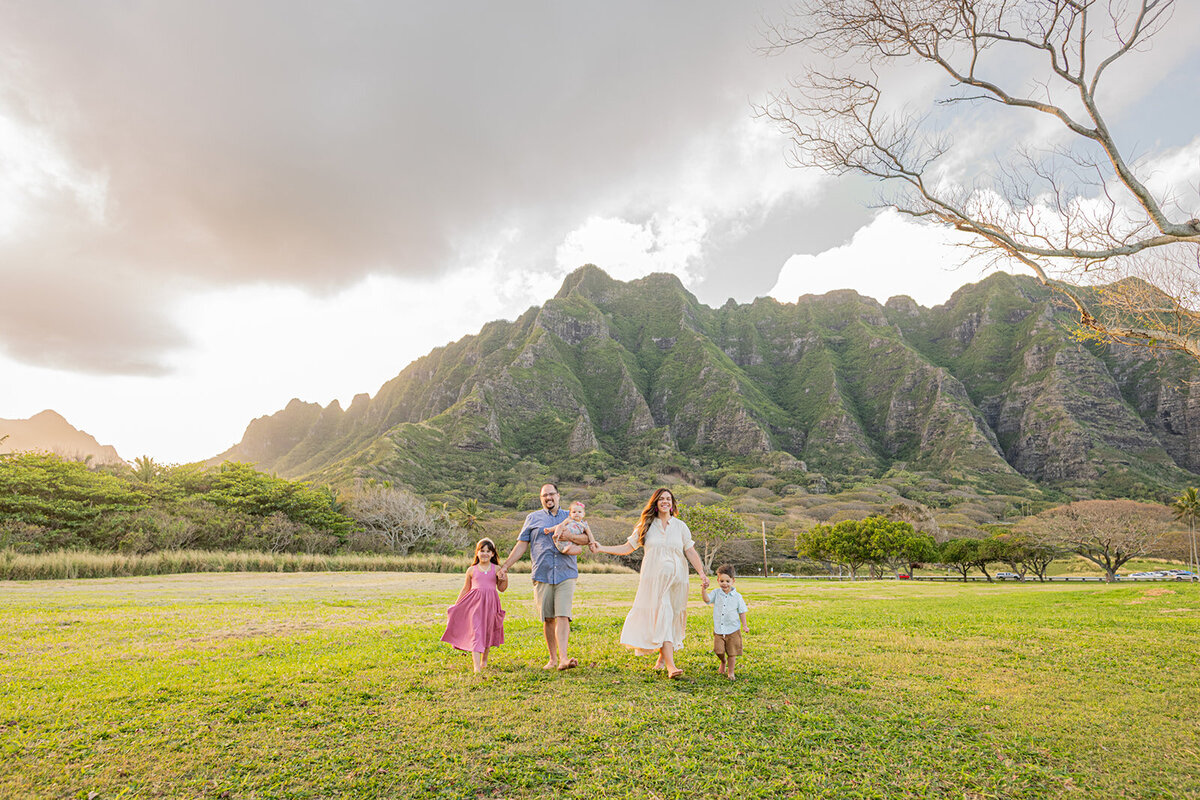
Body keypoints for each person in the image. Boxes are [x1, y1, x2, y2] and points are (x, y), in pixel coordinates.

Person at [591, 487, 708, 678]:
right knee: (663, 614)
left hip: (677, 582)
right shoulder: (646, 525)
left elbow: (690, 551)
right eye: (661, 499)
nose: (665, 502)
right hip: (653, 582)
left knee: (669, 617)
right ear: (655, 503)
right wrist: (602, 548)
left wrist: (702, 573)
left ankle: (662, 658)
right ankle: (671, 666)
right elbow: (627, 547)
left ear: (672, 503)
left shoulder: (680, 526)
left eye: (668, 499)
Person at [498, 483, 579, 670]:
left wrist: (568, 536)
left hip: (566, 572)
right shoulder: (532, 518)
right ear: (541, 498)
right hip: (542, 573)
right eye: (545, 495)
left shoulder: (571, 516)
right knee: (548, 618)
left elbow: (585, 539)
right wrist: (506, 566)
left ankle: (564, 658)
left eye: (552, 494)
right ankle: (553, 659)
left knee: (563, 615)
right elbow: (521, 545)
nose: (549, 498)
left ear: (558, 495)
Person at [441, 538, 508, 673]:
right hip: (475, 605)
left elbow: (502, 588)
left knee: (488, 633)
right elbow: (466, 588)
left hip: (491, 605)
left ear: (493, 554)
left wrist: (504, 579)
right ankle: (476, 667)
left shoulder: (497, 569)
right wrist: (457, 605)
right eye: (482, 551)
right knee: (476, 633)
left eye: (488, 551)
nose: (485, 554)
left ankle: (484, 661)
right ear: (477, 553)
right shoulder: (472, 570)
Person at [700, 563, 749, 680]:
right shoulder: (716, 593)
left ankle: (730, 672)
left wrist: (745, 626)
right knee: (718, 651)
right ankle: (723, 661)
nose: (724, 584)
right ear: (718, 580)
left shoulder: (737, 596)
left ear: (733, 581)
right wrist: (703, 589)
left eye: (727, 581)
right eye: (722, 581)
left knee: (732, 653)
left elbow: (742, 611)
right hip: (719, 629)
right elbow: (707, 600)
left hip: (733, 629)